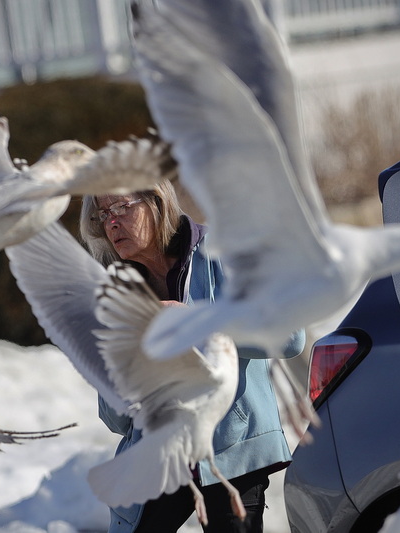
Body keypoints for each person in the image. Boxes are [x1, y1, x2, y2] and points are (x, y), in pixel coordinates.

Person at [79, 180, 305, 533]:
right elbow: (115, 418)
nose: (111, 223)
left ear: (156, 202)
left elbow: (290, 337)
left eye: (121, 207)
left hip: (231, 446)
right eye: (103, 214)